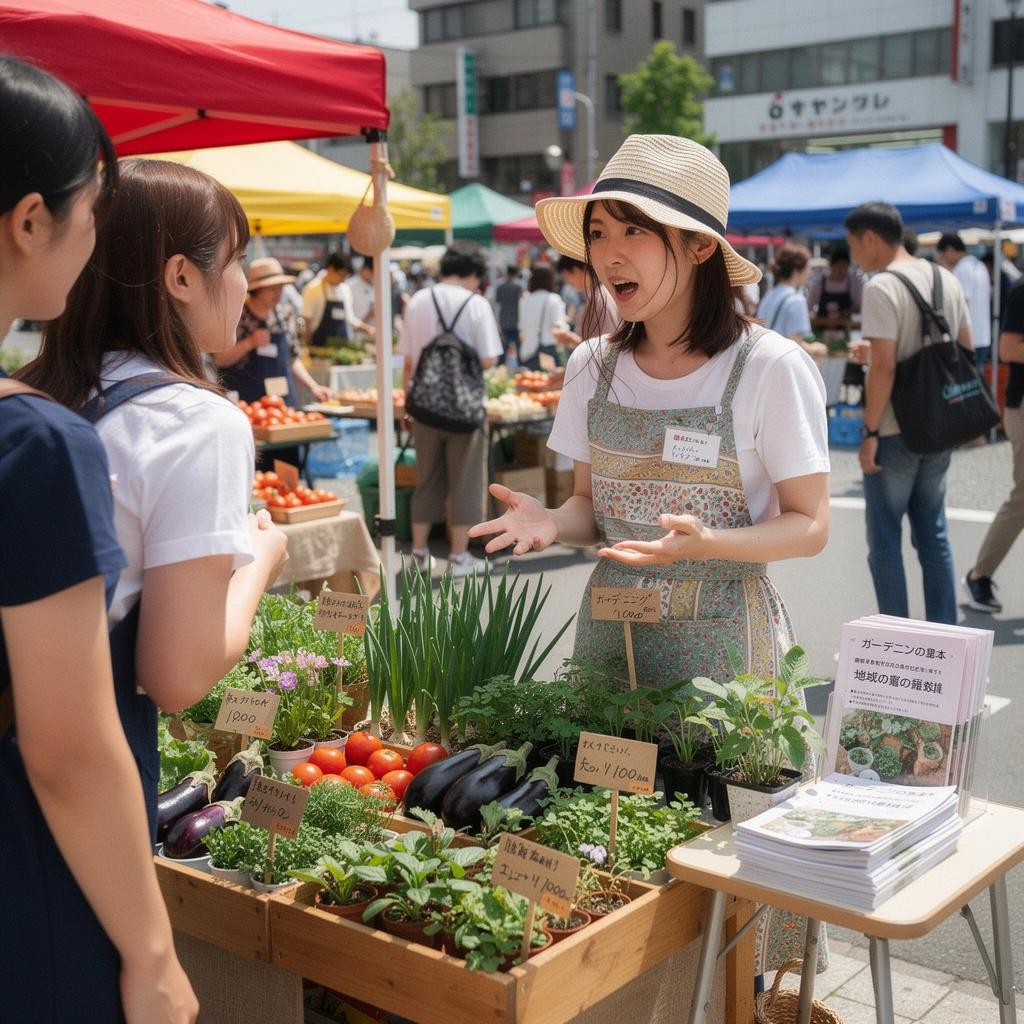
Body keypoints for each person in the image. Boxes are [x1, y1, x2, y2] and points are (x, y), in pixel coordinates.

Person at [470, 133, 830, 978]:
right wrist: (550, 523)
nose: (608, 254)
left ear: (699, 246)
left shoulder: (769, 366)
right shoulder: (592, 366)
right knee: (616, 839)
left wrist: (711, 544)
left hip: (726, 654)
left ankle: (747, 994)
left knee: (735, 843)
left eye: (633, 230)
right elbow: (588, 508)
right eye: (599, 233)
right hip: (615, 640)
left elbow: (811, 524)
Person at [0, 55, 197, 1024]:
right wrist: (153, 956)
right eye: (92, 208)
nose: (96, 237)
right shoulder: (32, 444)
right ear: (30, 220)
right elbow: (68, 749)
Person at [21, 156, 291, 824]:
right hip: (77, 786)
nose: (242, 282)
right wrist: (260, 563)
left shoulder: (26, 392)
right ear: (181, 277)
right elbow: (177, 676)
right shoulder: (195, 422)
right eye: (235, 260)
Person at [845, 203, 972, 625]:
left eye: (853, 245)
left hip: (894, 429)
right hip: (940, 425)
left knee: (885, 540)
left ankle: (896, 640)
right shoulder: (945, 277)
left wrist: (869, 432)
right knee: (933, 537)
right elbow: (965, 350)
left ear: (870, 238)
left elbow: (884, 368)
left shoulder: (881, 286)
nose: (853, 256)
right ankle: (945, 639)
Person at [401, 240, 502, 577]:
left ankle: (418, 554)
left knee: (426, 478)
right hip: (465, 410)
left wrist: (408, 405)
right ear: (473, 272)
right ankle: (458, 558)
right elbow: (488, 359)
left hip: (425, 407)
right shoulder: (476, 304)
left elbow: (409, 362)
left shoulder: (418, 300)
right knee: (466, 482)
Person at [963, 275, 1024, 613]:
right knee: (1023, 496)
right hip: (1022, 405)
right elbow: (1008, 348)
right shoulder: (1021, 290)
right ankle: (979, 575)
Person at [757, 244, 829, 362]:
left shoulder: (769, 296)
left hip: (766, 360)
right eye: (808, 267)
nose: (809, 272)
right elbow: (795, 344)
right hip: (782, 363)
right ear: (797, 270)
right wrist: (815, 348)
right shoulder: (796, 300)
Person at [936, 232, 991, 371]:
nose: (941, 259)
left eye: (941, 254)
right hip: (983, 336)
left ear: (949, 249)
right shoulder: (980, 265)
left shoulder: (962, 269)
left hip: (968, 338)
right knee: (977, 377)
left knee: (967, 379)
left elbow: (961, 305)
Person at [302, 251, 370, 348]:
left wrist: (368, 329)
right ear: (331, 269)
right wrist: (307, 346)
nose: (343, 279)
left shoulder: (345, 289)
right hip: (320, 348)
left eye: (345, 276)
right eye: (341, 275)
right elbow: (306, 320)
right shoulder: (313, 289)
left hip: (343, 346)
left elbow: (350, 318)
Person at [553, 253, 620, 347]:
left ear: (576, 271)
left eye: (566, 276)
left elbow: (602, 349)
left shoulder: (599, 299)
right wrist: (573, 340)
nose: (568, 282)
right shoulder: (602, 293)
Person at [517, 263, 566, 369]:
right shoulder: (553, 299)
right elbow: (558, 327)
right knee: (547, 379)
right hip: (546, 351)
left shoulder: (524, 301)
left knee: (529, 379)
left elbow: (522, 325)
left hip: (526, 351)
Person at [806, 245, 863, 318]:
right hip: (822, 324)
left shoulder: (854, 283)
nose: (841, 270)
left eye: (844, 266)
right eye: (838, 266)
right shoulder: (819, 283)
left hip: (846, 324)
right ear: (832, 265)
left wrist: (845, 312)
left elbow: (860, 307)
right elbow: (809, 306)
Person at [495, 264, 524, 364]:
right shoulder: (518, 286)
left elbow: (498, 301)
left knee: (503, 348)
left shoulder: (500, 285)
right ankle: (521, 367)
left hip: (504, 320)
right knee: (519, 349)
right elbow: (521, 300)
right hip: (516, 320)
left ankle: (500, 367)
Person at [350, 255, 376, 330]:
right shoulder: (351, 285)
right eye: (372, 272)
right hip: (356, 331)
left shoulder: (373, 285)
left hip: (372, 329)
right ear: (366, 269)